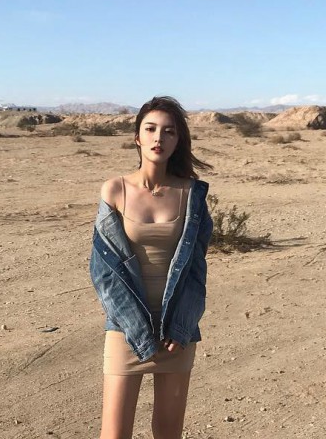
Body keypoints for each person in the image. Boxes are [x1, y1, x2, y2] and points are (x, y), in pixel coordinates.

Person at [89, 95, 213, 439]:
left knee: (168, 432)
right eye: (151, 129)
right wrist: (139, 330)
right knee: (114, 434)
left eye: (169, 131)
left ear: (178, 140)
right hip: (126, 326)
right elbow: (103, 272)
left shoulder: (192, 194)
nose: (159, 137)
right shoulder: (115, 190)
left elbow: (196, 270)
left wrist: (182, 326)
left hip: (176, 331)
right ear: (137, 137)